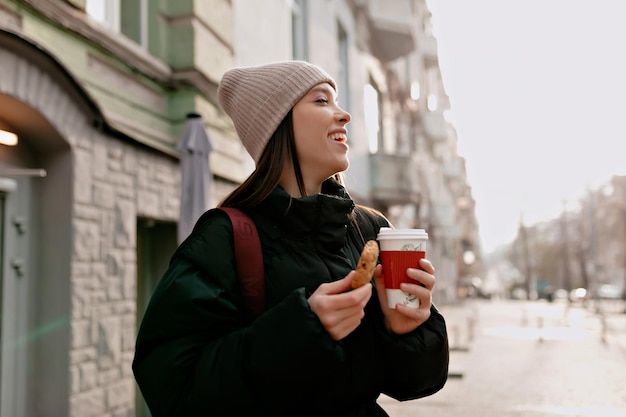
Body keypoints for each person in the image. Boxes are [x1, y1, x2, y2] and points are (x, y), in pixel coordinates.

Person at [132, 60, 449, 416]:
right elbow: (172, 390)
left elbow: (415, 382)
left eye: (337, 101)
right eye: (321, 100)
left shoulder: (369, 229)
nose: (343, 115)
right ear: (277, 124)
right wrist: (301, 330)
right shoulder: (224, 237)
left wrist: (408, 329)